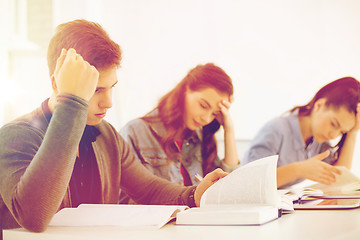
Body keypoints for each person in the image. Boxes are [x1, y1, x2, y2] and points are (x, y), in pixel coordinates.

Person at [0, 19, 227, 235]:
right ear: (57, 83)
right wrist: (71, 101)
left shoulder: (106, 135)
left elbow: (149, 189)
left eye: (112, 88)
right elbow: (34, 218)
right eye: (97, 89)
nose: (108, 102)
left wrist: (194, 194)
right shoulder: (15, 136)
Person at [118, 63, 239, 203]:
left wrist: (229, 130)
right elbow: (123, 202)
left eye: (214, 113)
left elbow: (228, 190)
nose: (206, 118)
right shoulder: (135, 132)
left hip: (195, 223)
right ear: (185, 90)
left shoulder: (198, 139)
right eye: (203, 106)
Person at [242, 77, 360, 188]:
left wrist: (353, 133)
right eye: (333, 124)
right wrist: (299, 169)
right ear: (319, 106)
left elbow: (337, 179)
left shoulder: (319, 142)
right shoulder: (277, 129)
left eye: (342, 131)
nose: (334, 135)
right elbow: (251, 181)